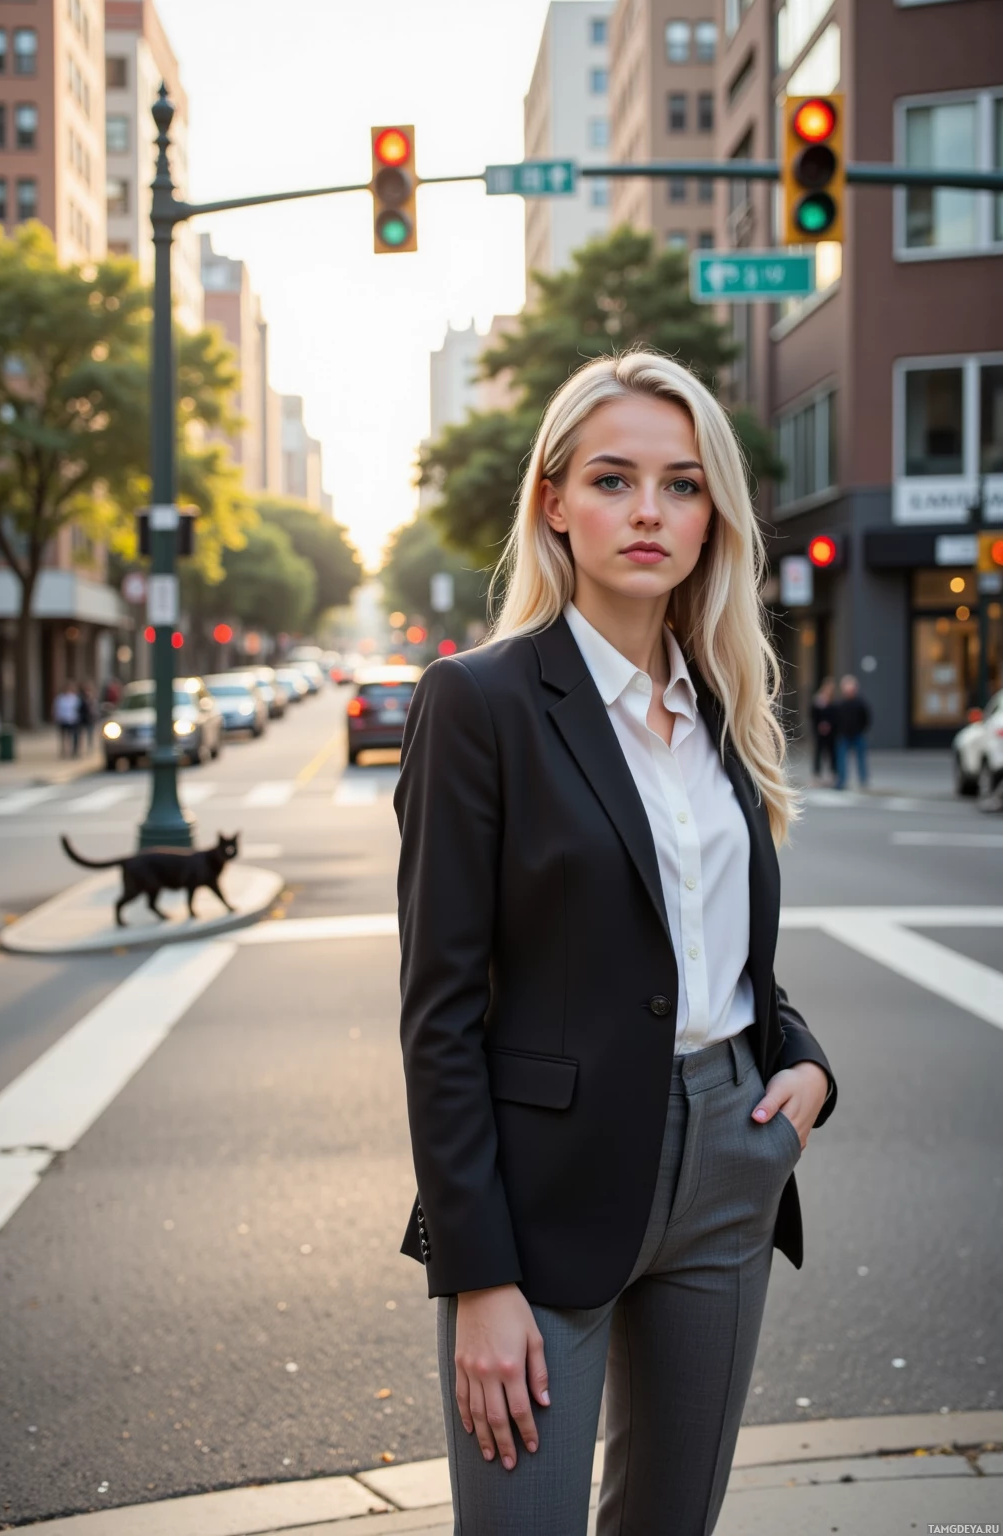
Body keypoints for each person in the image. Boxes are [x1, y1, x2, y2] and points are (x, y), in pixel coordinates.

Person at [394, 351, 838, 1536]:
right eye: (613, 479)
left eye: (682, 485)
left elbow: (723, 953)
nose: (649, 512)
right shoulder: (477, 703)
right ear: (553, 501)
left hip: (730, 1168)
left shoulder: (724, 706)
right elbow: (438, 1016)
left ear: (713, 517)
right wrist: (476, 1275)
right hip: (541, 1201)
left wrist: (804, 1068)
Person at [834, 674, 871, 790]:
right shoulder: (841, 704)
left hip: (857, 734)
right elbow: (836, 720)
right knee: (841, 760)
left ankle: (863, 781)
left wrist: (862, 730)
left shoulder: (860, 703)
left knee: (861, 759)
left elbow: (866, 718)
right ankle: (841, 781)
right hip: (843, 735)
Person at [809, 676, 838, 784]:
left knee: (832, 753)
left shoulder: (833, 701)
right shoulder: (818, 701)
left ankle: (833, 774)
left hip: (831, 733)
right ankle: (817, 775)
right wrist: (819, 726)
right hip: (820, 733)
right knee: (818, 753)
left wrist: (830, 726)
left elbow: (836, 716)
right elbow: (813, 715)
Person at [52, 681, 81, 757]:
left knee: (74, 736)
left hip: (73, 720)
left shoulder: (75, 698)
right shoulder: (60, 698)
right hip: (63, 720)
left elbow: (79, 709)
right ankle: (64, 750)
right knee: (64, 736)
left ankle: (74, 751)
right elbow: (57, 709)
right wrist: (57, 718)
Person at [78, 681, 99, 754]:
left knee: (90, 734)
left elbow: (95, 708)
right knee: (80, 734)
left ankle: (89, 747)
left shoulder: (93, 698)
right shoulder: (80, 698)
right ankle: (79, 748)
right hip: (82, 719)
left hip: (90, 719)